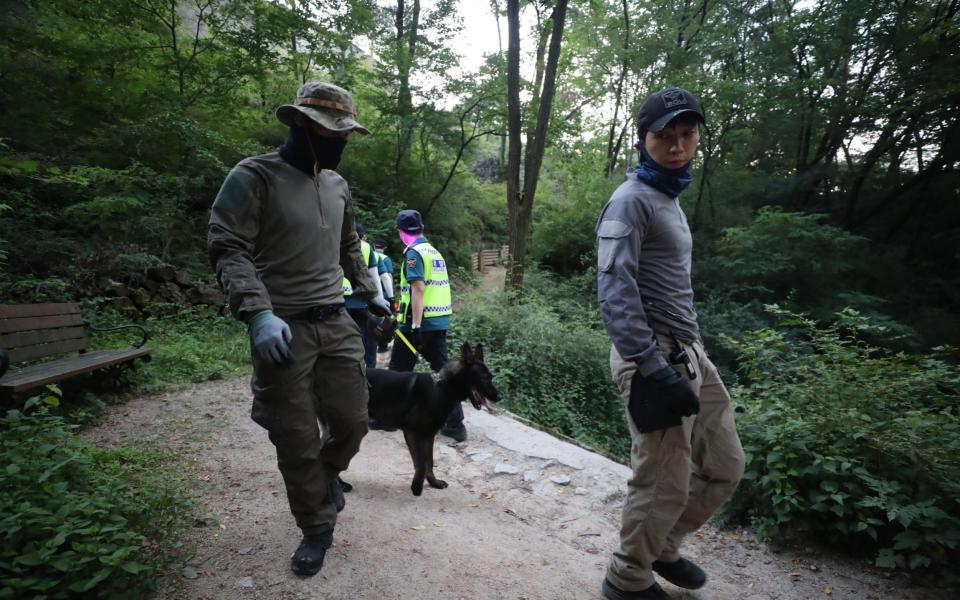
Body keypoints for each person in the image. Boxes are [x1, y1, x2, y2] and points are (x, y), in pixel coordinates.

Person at [208, 81, 390, 577]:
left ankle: (326, 475)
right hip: (282, 328)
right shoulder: (253, 177)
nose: (342, 144)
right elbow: (228, 247)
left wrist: (372, 298)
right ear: (302, 126)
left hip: (337, 321)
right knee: (294, 437)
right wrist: (257, 312)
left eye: (346, 135)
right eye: (334, 134)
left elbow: (350, 244)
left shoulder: (336, 184)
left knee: (353, 421)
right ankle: (316, 527)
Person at [595, 87, 745, 600]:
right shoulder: (631, 199)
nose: (678, 145)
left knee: (724, 465)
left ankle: (663, 545)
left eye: (687, 135)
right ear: (644, 140)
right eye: (665, 136)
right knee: (662, 475)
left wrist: (692, 355)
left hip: (689, 351)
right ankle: (628, 576)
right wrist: (652, 367)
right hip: (652, 355)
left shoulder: (668, 198)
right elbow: (614, 289)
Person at [387, 209, 464, 442]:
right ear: (421, 228)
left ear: (401, 232)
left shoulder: (414, 254)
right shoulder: (434, 252)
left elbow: (418, 288)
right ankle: (455, 425)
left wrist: (417, 325)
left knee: (397, 372)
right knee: (445, 374)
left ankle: (389, 417)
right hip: (438, 322)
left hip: (417, 325)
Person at [344, 223, 385, 369]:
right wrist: (380, 300)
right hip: (361, 303)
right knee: (366, 342)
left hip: (338, 304)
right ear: (363, 236)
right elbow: (375, 278)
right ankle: (369, 372)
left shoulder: (334, 241)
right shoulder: (367, 247)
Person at [373, 239, 395, 353]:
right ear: (385, 247)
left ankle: (372, 345)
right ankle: (382, 346)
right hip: (385, 294)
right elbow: (388, 276)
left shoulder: (370, 255)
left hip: (372, 294)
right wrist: (392, 295)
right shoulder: (386, 259)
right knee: (385, 321)